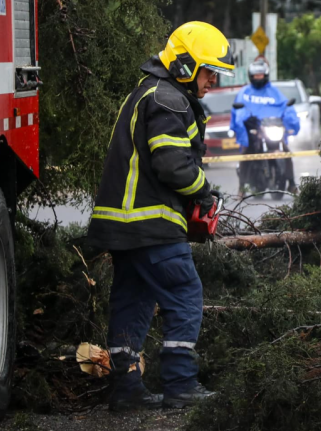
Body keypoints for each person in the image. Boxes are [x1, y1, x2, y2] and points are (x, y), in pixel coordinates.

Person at [87, 21, 233, 410]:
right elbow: (171, 165)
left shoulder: (146, 93)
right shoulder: (170, 99)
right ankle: (181, 384)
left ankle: (127, 390)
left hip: (123, 226)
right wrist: (204, 191)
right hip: (151, 224)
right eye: (208, 72)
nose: (211, 83)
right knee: (185, 295)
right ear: (186, 65)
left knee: (132, 302)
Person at [231, 59, 300, 191]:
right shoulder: (245, 92)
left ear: (266, 75)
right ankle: (241, 187)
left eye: (260, 75)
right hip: (254, 130)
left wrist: (289, 116)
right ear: (251, 77)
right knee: (247, 153)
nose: (258, 78)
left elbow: (284, 105)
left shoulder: (274, 91)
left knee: (286, 152)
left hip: (271, 128)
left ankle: (291, 183)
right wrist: (245, 120)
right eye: (255, 76)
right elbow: (239, 111)